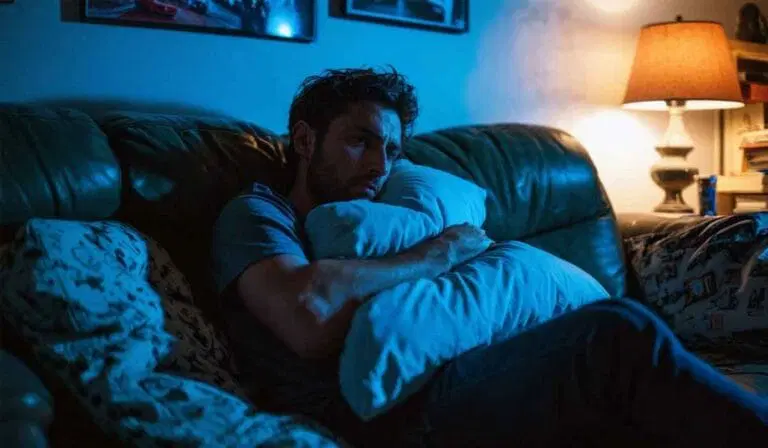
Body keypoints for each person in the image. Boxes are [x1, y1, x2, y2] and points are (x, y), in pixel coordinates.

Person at [212, 67, 767, 447]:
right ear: (305, 141)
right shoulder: (258, 215)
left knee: (625, 359)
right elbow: (305, 318)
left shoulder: (392, 213)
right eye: (360, 141)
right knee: (615, 332)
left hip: (453, 368)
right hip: (375, 413)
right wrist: (436, 254)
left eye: (392, 150)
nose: (380, 166)